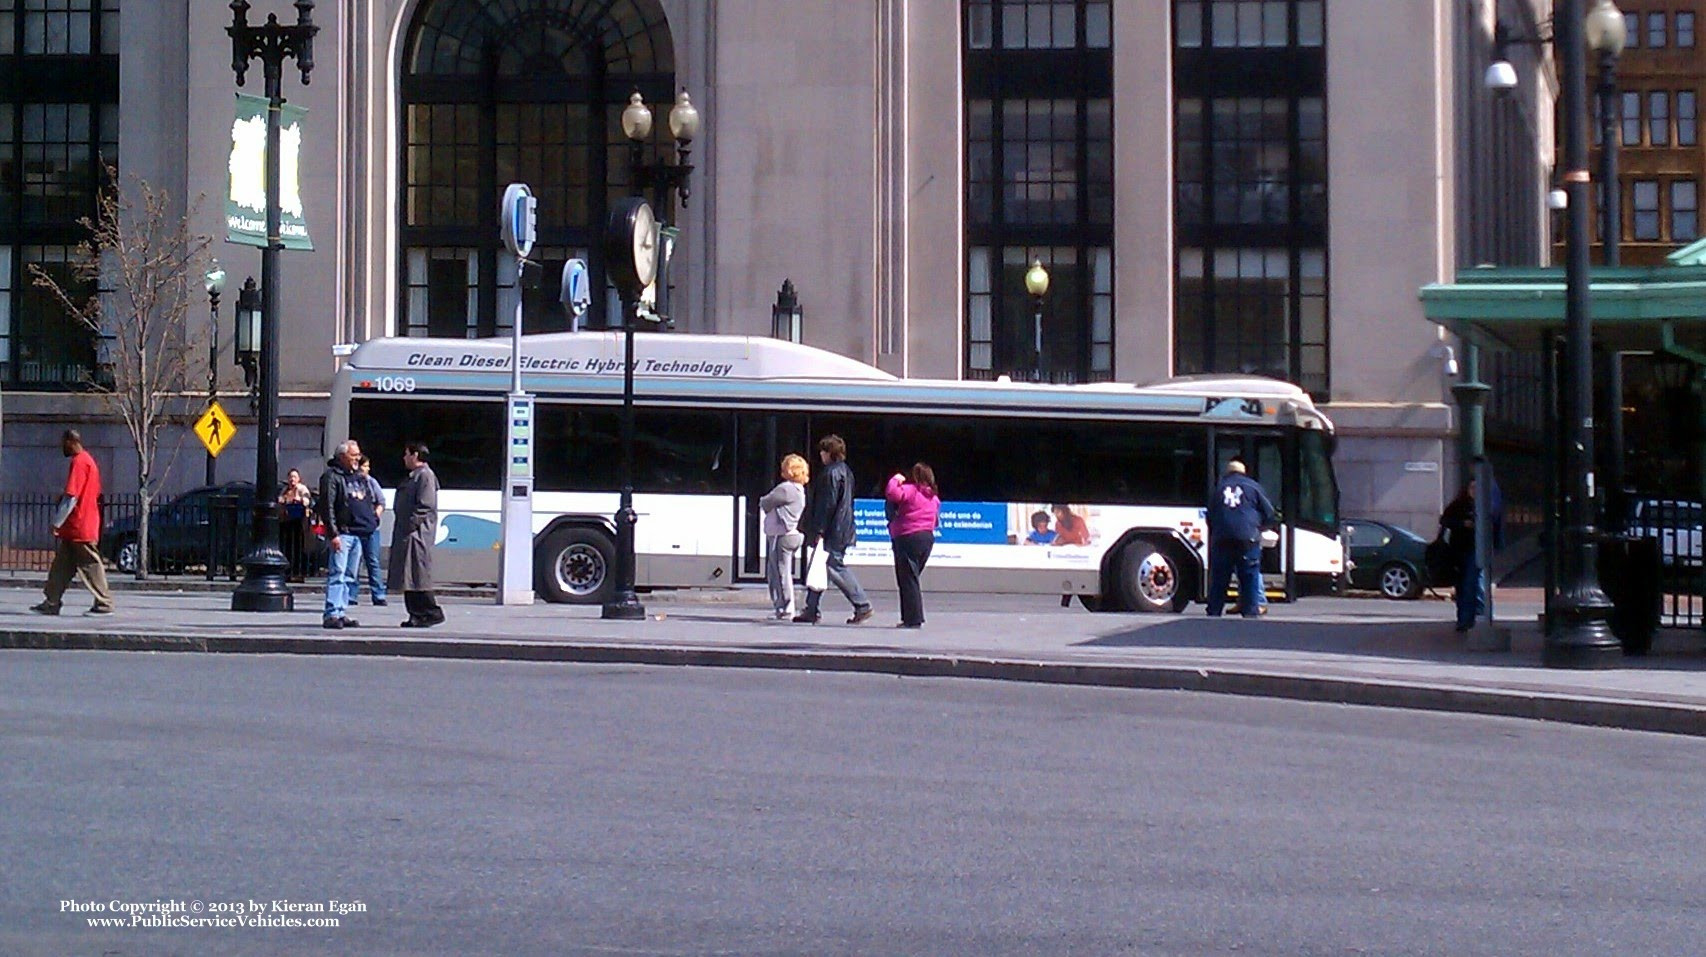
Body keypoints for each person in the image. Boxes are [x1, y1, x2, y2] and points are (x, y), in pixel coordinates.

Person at [32, 429, 113, 616]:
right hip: (76, 527)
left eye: (63, 443)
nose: (62, 447)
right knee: (61, 566)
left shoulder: (80, 462)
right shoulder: (88, 462)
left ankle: (104, 602)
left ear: (71, 441)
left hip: (80, 525)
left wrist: (56, 521)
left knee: (90, 564)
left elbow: (72, 496)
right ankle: (52, 601)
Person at [795, 434, 873, 625]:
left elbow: (827, 504)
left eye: (822, 451)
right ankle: (811, 609)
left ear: (829, 453)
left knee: (832, 565)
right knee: (819, 567)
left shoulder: (830, 473)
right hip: (842, 526)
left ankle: (862, 604)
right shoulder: (845, 471)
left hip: (833, 529)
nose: (820, 455)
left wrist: (819, 529)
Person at [318, 439, 379, 629]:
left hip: (358, 533)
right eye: (354, 455)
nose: (357, 459)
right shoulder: (332, 477)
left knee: (350, 575)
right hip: (343, 533)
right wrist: (333, 533)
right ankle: (332, 613)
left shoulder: (356, 476)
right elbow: (327, 506)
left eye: (358, 455)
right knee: (338, 572)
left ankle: (341, 611)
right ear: (343, 456)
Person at [1205, 459, 1277, 619]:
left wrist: (1217, 532)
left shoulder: (1219, 488)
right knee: (1249, 577)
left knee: (1219, 578)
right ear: (1244, 472)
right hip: (1248, 539)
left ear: (1227, 473)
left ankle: (1214, 611)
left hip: (1222, 539)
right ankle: (1250, 612)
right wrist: (1259, 528)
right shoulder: (1253, 486)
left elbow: (1209, 516)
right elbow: (1270, 514)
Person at [388, 442, 444, 628]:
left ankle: (429, 612)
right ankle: (416, 614)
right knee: (409, 576)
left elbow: (425, 506)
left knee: (417, 575)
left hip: (416, 535)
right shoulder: (414, 476)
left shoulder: (425, 476)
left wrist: (410, 525)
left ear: (415, 455)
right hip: (408, 533)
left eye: (406, 454)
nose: (404, 458)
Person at [886, 462, 940, 628]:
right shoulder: (934, 498)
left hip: (907, 537)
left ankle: (913, 619)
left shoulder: (911, 490)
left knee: (907, 579)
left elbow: (892, 493)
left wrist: (896, 478)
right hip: (927, 538)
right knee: (912, 577)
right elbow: (936, 521)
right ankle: (911, 617)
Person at [760, 453, 810, 620]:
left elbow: (765, 502)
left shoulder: (786, 488)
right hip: (792, 534)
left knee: (779, 573)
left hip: (781, 535)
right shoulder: (800, 490)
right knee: (782, 571)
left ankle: (785, 608)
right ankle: (784, 607)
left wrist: (766, 503)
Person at [1440, 479, 1482, 633]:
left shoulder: (1483, 505)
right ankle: (1463, 618)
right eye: (1472, 487)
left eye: (1478, 488)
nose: (1474, 491)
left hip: (1475, 550)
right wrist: (1462, 524)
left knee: (1471, 583)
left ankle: (1468, 618)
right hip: (1458, 549)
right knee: (1461, 585)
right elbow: (1444, 520)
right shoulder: (1458, 505)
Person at [356, 455, 388, 607]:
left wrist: (376, 515)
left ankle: (378, 594)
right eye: (365, 466)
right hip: (355, 526)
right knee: (354, 563)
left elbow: (381, 501)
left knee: (372, 561)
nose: (367, 469)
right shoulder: (352, 481)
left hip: (370, 527)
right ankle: (351, 594)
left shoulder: (371, 482)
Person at [277, 468, 314, 582]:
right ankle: (288, 572)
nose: (292, 479)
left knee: (298, 547)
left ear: (299, 479)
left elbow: (307, 501)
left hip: (299, 522)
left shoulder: (302, 489)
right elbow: (280, 499)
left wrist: (300, 500)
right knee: (287, 547)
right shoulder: (285, 489)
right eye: (290, 477)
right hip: (286, 521)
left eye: (294, 477)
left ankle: (298, 572)